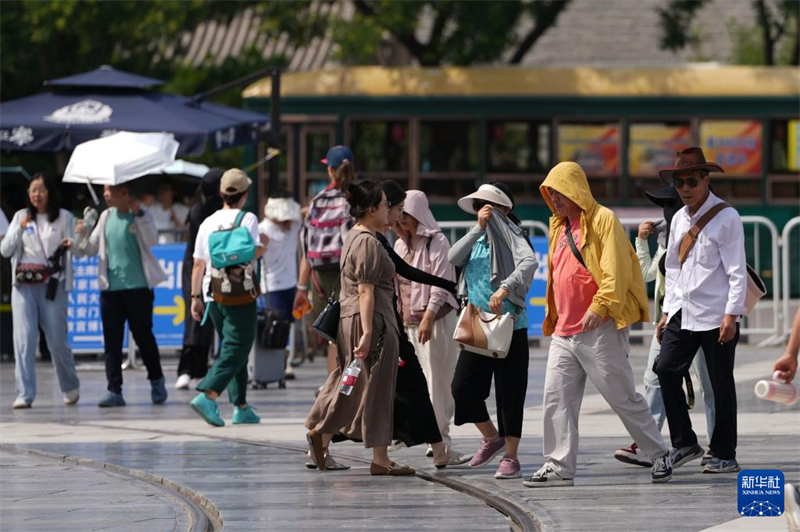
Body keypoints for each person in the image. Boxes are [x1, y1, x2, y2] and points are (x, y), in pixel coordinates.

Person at [525, 162, 671, 488]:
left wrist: (601, 304)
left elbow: (615, 269)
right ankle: (559, 464)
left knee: (621, 396)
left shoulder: (603, 219)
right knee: (556, 398)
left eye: (560, 191)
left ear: (576, 189)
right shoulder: (558, 226)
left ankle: (658, 453)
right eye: (550, 193)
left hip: (599, 327)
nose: (555, 199)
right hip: (565, 330)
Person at [305, 180, 414, 476]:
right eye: (385, 206)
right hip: (372, 320)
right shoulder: (368, 241)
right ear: (371, 210)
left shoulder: (356, 235)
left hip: (355, 318)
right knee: (374, 386)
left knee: (352, 380)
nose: (389, 211)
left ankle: (332, 436)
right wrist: (368, 332)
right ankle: (336, 436)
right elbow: (366, 290)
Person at [655, 147, 748, 474]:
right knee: (665, 369)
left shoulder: (727, 217)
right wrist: (667, 312)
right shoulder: (679, 218)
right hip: (683, 311)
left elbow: (737, 271)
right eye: (679, 181)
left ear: (706, 180)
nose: (684, 188)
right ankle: (685, 442)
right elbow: (673, 268)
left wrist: (731, 315)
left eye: (691, 180)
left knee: (720, 383)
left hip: (717, 314)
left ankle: (724, 452)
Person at [614, 184, 716, 468]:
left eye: (668, 206)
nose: (664, 213)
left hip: (701, 320)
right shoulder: (663, 242)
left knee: (709, 385)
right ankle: (647, 443)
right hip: (668, 323)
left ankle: (716, 446)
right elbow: (647, 274)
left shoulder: (697, 235)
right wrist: (641, 242)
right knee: (654, 380)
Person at [448, 182, 537, 480]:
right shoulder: (476, 238)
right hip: (477, 326)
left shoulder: (515, 237)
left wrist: (505, 287)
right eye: (478, 205)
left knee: (510, 394)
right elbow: (452, 258)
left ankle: (511, 456)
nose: (482, 210)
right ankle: (491, 437)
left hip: (510, 325)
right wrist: (476, 229)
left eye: (488, 205)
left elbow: (528, 262)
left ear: (505, 210)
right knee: (462, 388)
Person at [77, 183, 167, 407]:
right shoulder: (105, 217)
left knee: (144, 337)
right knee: (112, 341)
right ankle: (114, 389)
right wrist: (82, 234)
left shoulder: (141, 216)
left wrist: (139, 213)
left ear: (125, 192)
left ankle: (156, 381)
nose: (105, 194)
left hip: (139, 289)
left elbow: (152, 240)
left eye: (110, 190)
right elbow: (88, 250)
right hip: (110, 290)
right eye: (105, 190)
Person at [189, 169, 265, 427]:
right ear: (244, 194)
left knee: (233, 346)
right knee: (237, 348)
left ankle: (241, 405)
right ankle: (208, 395)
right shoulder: (248, 219)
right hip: (240, 293)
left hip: (213, 294)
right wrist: (262, 246)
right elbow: (252, 252)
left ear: (222, 194)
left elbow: (198, 264)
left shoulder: (208, 222)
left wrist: (195, 296)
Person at [1, 174, 81, 408]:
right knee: (24, 341)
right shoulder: (20, 217)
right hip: (24, 286)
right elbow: (5, 251)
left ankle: (70, 386)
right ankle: (24, 393)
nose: (37, 195)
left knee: (56, 340)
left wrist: (74, 240)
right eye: (33, 190)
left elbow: (78, 250)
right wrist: (19, 229)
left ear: (50, 193)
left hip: (52, 285)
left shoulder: (65, 217)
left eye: (42, 190)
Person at [394, 190, 463, 460]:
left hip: (435, 322)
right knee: (417, 383)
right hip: (409, 323)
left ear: (419, 214)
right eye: (399, 217)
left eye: (406, 216)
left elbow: (441, 285)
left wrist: (427, 318)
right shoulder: (400, 245)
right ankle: (427, 437)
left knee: (438, 381)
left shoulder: (438, 242)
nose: (401, 222)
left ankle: (441, 440)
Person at [294, 146, 356, 375]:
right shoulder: (356, 199)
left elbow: (306, 249)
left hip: (320, 278)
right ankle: (350, 386)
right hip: (349, 275)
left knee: (333, 338)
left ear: (330, 170)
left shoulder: (317, 202)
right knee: (353, 333)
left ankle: (333, 385)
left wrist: (302, 287)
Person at [175, 169, 224, 390]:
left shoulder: (207, 208)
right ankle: (187, 369)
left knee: (206, 320)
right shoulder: (202, 211)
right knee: (195, 317)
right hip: (196, 267)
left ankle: (198, 370)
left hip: (208, 267)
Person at [259, 192, 302, 380]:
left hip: (291, 282)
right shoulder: (263, 229)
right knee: (277, 324)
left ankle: (286, 361)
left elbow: (303, 213)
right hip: (272, 284)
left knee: (289, 324)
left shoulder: (292, 227)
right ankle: (278, 362)